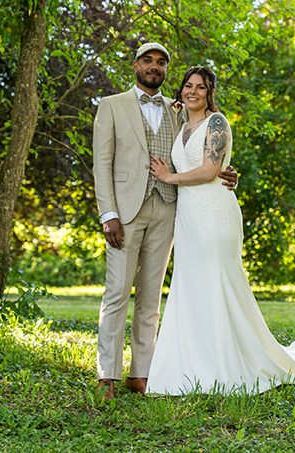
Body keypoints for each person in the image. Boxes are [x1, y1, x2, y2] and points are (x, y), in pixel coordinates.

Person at [145, 66, 295, 395]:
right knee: (192, 287)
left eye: (201, 87)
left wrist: (170, 177)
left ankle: (228, 364)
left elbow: (210, 170)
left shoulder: (217, 123)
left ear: (211, 93)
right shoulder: (180, 123)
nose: (192, 91)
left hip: (214, 214)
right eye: (187, 86)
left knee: (218, 284)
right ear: (180, 90)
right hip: (188, 219)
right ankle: (194, 364)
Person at [92, 44, 238, 400]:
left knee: (151, 298)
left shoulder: (179, 111)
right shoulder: (111, 106)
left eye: (161, 63)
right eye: (148, 61)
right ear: (136, 65)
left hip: (169, 211)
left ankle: (140, 373)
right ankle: (106, 376)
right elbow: (102, 164)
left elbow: (205, 155)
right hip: (125, 214)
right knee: (116, 294)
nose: (154, 67)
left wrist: (228, 173)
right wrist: (108, 214)